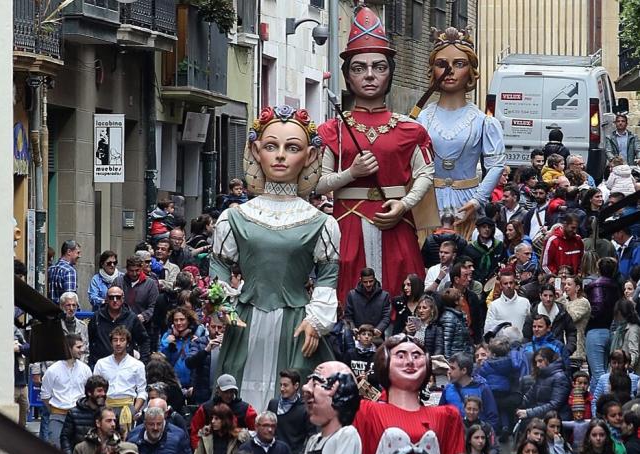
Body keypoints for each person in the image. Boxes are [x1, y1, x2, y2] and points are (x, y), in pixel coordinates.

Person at [211, 105, 340, 412]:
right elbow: (219, 266)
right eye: (272, 146)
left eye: (291, 147)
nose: (280, 155)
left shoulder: (322, 222)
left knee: (296, 402)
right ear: (256, 151)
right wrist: (222, 306)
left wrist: (316, 321)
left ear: (309, 156)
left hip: (297, 323)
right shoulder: (234, 217)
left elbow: (327, 276)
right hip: (244, 321)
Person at [317, 6, 434, 302]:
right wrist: (350, 174)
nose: (369, 75)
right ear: (348, 76)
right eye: (359, 68)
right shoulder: (332, 130)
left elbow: (426, 174)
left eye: (379, 67)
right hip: (347, 225)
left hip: (395, 223)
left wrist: (404, 204)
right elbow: (316, 183)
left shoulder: (411, 130)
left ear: (389, 73)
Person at [416, 27, 505, 238]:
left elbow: (496, 165)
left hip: (468, 200)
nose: (450, 71)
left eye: (459, 64)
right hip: (428, 201)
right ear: (433, 70)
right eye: (442, 64)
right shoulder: (421, 119)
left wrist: (477, 200)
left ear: (470, 71)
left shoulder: (483, 122)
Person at [353, 335, 465, 454]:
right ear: (384, 360)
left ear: (428, 362)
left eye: (417, 356)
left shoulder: (447, 416)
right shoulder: (365, 412)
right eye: (400, 356)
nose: (410, 361)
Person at [300, 361, 362, 454]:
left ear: (337, 390)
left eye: (315, 384)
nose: (306, 388)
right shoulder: (313, 441)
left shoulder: (346, 435)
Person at [93, 327, 148, 438]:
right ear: (111, 343)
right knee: (106, 440)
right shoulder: (101, 363)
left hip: (127, 408)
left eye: (122, 340)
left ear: (127, 343)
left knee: (126, 441)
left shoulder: (137, 365)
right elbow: (95, 388)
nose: (118, 343)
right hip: (107, 406)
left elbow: (142, 391)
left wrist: (134, 410)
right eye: (115, 340)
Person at [40, 334, 92, 448]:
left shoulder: (86, 369)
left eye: (82, 346)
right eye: (78, 347)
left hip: (79, 416)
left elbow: (89, 394)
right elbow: (45, 396)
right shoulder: (52, 370)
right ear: (68, 348)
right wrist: (55, 410)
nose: (82, 350)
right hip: (58, 416)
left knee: (78, 450)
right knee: (57, 449)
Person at [189, 374, 257, 450]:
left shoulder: (246, 409)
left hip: (237, 451)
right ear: (218, 390)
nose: (229, 395)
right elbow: (195, 432)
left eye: (231, 392)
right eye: (225, 392)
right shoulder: (206, 408)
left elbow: (255, 433)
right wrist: (199, 451)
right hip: (211, 451)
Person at [88, 286, 150, 366]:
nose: (114, 300)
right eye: (111, 297)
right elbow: (89, 341)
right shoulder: (97, 317)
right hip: (102, 366)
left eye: (118, 297)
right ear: (106, 299)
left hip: (126, 366)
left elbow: (144, 340)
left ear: (123, 299)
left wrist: (142, 362)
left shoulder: (131, 318)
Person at [586, 257, 622, 392]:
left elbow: (598, 308)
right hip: (610, 330)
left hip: (596, 330)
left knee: (599, 374)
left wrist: (588, 319)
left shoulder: (596, 286)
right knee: (601, 374)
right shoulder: (616, 286)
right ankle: (597, 408)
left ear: (598, 269)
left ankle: (608, 403)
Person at [439, 352, 498, 431]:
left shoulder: (482, 388)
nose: (449, 371)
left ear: (463, 370)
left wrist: (482, 436)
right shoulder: (448, 389)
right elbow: (440, 415)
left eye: (453, 368)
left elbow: (492, 418)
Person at [266, 369, 315, 454]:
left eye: (285, 385)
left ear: (296, 386)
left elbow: (311, 437)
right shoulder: (274, 404)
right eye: (280, 385)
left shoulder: (305, 408)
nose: (282, 388)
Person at [517, 348, 571, 423]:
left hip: (556, 420)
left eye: (540, 361)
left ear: (549, 360)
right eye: (536, 362)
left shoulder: (560, 377)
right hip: (543, 418)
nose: (537, 365)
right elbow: (529, 396)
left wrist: (528, 413)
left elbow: (554, 405)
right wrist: (515, 404)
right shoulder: (541, 376)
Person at [522, 284, 577, 357]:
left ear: (555, 296)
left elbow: (571, 332)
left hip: (558, 352)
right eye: (545, 295)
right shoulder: (533, 313)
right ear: (540, 296)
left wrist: (568, 349)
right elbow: (526, 336)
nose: (548, 299)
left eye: (551, 296)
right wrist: (528, 351)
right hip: (536, 354)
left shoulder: (562, 312)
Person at [61, 375, 109, 454]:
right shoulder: (73, 413)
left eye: (105, 391)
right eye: (99, 391)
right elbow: (65, 438)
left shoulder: (108, 413)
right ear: (89, 392)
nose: (103, 394)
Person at [126, 406, 192, 454]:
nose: (155, 428)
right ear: (145, 425)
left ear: (163, 424)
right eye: (151, 424)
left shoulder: (176, 442)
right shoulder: (133, 443)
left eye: (159, 424)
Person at [159, 307, 201, 393]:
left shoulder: (195, 338)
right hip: (172, 384)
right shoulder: (167, 336)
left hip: (191, 385)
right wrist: (167, 343)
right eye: (176, 320)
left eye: (182, 320)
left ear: (188, 321)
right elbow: (161, 358)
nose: (179, 323)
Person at [185, 314, 225, 404]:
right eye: (213, 327)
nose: (216, 330)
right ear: (208, 327)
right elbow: (189, 363)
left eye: (220, 327)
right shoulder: (199, 342)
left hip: (222, 392)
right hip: (202, 393)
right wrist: (206, 350)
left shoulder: (228, 345)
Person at [344, 268, 391, 337]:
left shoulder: (384, 296)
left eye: (371, 281)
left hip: (377, 337)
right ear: (361, 281)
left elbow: (386, 317)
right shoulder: (352, 295)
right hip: (358, 337)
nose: (368, 284)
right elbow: (348, 316)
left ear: (374, 280)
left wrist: (379, 329)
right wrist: (353, 328)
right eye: (365, 282)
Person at [483, 270, 530, 336]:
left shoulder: (525, 302)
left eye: (511, 283)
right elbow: (487, 329)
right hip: (502, 344)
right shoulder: (494, 305)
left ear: (515, 283)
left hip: (523, 344)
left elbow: (530, 325)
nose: (509, 286)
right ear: (501, 286)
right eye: (505, 283)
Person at [560, 276, 590, 370]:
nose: (566, 287)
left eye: (569, 284)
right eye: (564, 284)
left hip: (575, 350)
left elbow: (572, 317)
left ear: (577, 287)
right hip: (561, 347)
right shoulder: (564, 300)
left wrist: (563, 300)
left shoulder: (583, 302)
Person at [440, 287, 473, 357]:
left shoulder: (460, 315)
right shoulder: (449, 318)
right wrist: (448, 363)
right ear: (456, 301)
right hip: (455, 359)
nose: (462, 297)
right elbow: (446, 343)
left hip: (463, 356)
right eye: (460, 296)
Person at [610, 300, 640, 374]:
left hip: (626, 373)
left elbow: (634, 352)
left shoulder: (633, 329)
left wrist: (627, 367)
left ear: (621, 313)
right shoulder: (620, 328)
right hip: (619, 369)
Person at [48, 239, 81, 304]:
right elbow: (70, 298)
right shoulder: (69, 271)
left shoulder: (51, 269)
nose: (79, 256)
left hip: (50, 310)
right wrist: (77, 311)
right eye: (78, 253)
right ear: (69, 252)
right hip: (63, 311)